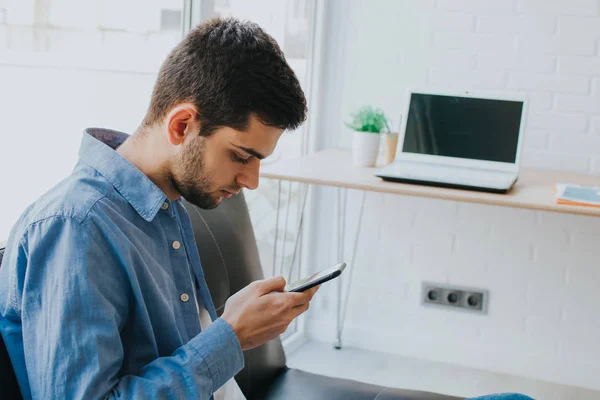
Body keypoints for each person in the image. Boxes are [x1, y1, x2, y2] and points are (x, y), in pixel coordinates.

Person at [0, 17, 533, 400]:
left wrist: (230, 325)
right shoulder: (75, 228)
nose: (251, 181)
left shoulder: (162, 204)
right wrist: (230, 337)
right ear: (183, 124)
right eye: (241, 156)